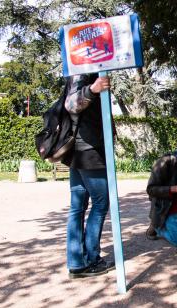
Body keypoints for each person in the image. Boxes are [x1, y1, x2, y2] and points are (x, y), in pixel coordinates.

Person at [62, 73, 114, 278]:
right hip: (89, 151)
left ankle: (76, 263)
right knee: (100, 204)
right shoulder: (83, 72)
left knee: (77, 207)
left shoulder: (78, 70)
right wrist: (93, 89)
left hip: (76, 150)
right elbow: (71, 105)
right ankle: (91, 260)